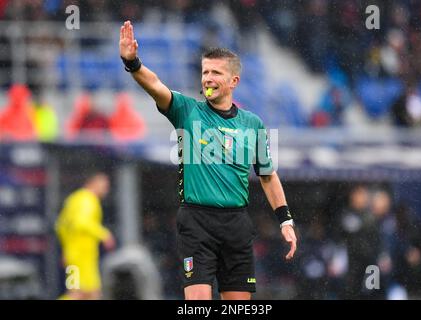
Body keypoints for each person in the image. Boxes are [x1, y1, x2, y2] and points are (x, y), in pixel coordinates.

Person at [119, 20, 298, 300]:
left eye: (216, 72)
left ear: (233, 81)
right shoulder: (186, 111)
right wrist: (132, 63)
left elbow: (267, 175)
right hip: (196, 222)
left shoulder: (252, 124)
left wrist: (285, 220)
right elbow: (155, 85)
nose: (208, 78)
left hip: (236, 223)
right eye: (205, 72)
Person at [55, 172, 116, 300]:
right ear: (93, 184)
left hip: (74, 255)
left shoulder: (74, 198)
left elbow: (60, 226)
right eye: (104, 186)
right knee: (80, 293)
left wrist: (66, 248)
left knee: (88, 293)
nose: (106, 190)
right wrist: (104, 234)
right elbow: (81, 221)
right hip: (83, 257)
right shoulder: (88, 200)